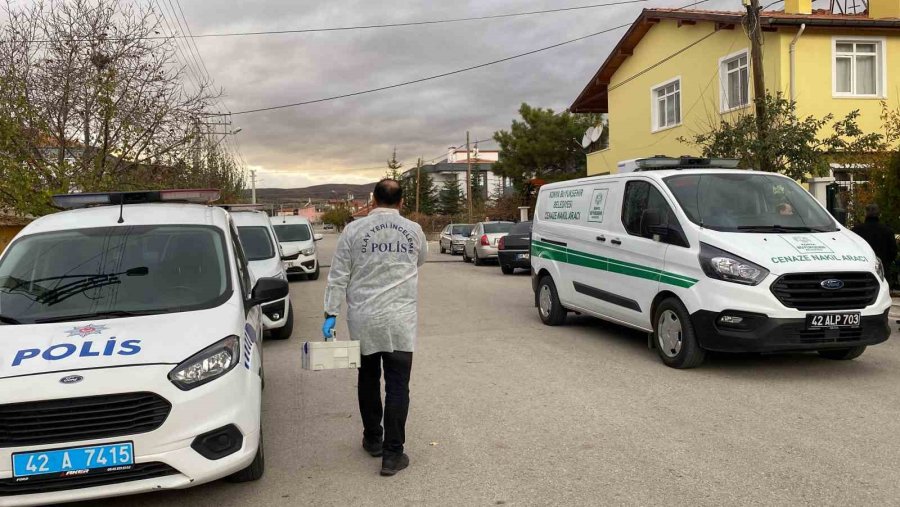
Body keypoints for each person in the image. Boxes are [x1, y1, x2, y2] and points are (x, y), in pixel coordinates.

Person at [323, 179, 428, 477]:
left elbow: (338, 275)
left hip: (364, 319)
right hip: (400, 321)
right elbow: (419, 260)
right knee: (397, 385)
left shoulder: (353, 230)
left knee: (368, 378)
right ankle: (393, 455)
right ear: (401, 202)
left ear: (373, 200)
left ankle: (372, 439)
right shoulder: (414, 230)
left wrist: (330, 313)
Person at [852, 203, 897, 279]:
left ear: (866, 213)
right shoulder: (887, 231)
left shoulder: (856, 231)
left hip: (861, 271)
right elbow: (893, 252)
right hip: (882, 271)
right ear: (878, 214)